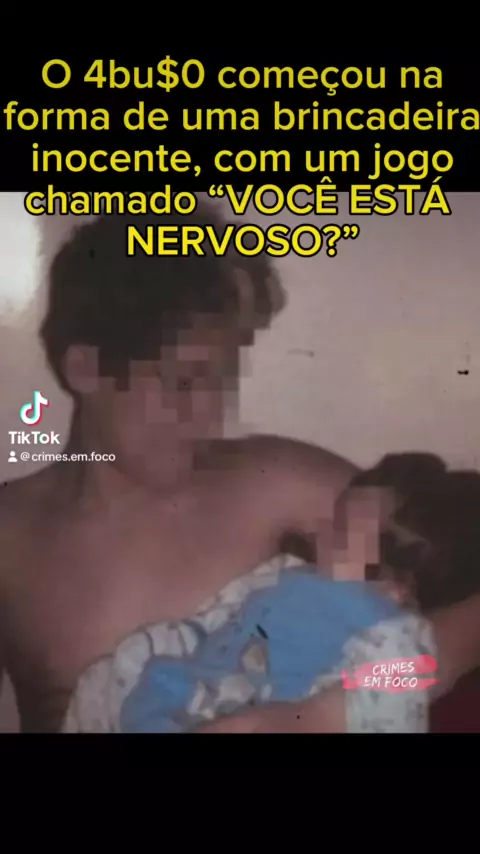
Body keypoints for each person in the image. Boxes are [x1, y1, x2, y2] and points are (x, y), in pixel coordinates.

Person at [0, 202, 360, 733]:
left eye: (222, 381)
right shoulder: (11, 535)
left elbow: (418, 656)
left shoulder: (274, 487)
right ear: (86, 369)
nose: (210, 416)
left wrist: (324, 712)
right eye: (184, 383)